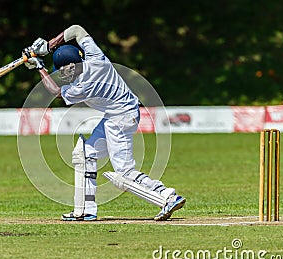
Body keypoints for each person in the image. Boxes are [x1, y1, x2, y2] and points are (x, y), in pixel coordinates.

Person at [22, 25, 185, 221]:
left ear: (70, 67)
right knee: (85, 154)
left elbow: (56, 92)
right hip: (117, 115)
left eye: (62, 71)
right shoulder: (94, 57)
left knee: (124, 173)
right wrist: (48, 46)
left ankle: (167, 196)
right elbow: (76, 30)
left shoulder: (83, 86)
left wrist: (40, 67)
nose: (62, 75)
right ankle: (85, 209)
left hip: (121, 118)